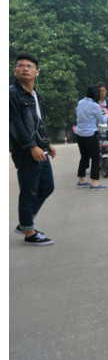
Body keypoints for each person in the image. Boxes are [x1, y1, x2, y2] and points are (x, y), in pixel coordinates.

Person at [9, 53, 56, 246]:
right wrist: (31, 146)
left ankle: (25, 223)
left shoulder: (36, 95)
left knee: (47, 186)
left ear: (37, 72)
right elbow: (14, 124)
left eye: (30, 66)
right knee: (29, 191)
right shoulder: (11, 94)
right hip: (25, 151)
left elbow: (39, 122)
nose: (25, 68)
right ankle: (29, 232)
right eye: (21, 65)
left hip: (39, 148)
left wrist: (46, 143)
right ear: (15, 70)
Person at [76, 84, 108, 190]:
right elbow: (102, 121)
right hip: (90, 134)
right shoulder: (95, 106)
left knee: (84, 156)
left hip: (79, 134)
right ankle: (94, 183)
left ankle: (81, 180)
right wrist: (106, 114)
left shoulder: (80, 102)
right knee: (95, 158)